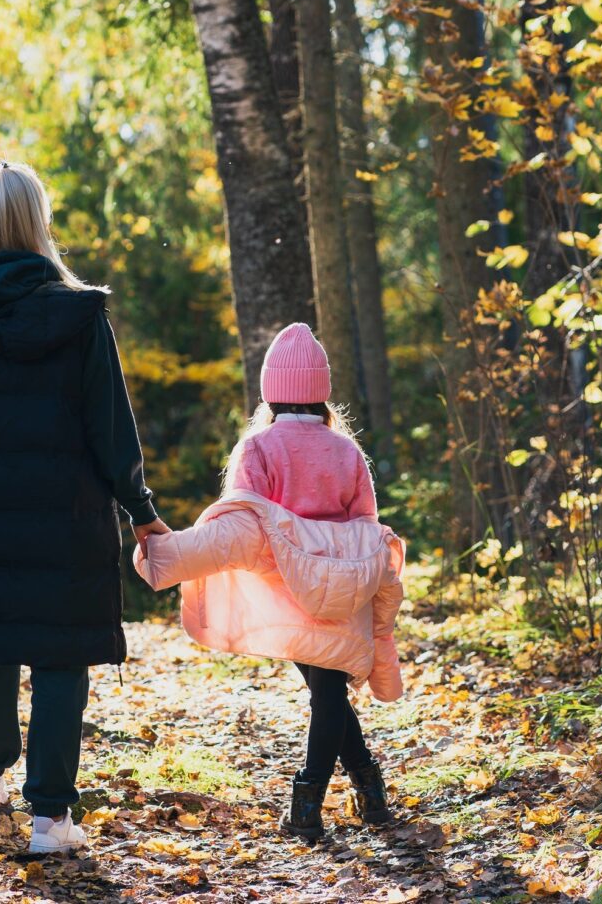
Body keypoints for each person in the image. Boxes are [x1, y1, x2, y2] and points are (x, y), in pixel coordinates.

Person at [0, 160, 169, 855]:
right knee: (61, 657)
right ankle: (51, 821)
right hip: (67, 517)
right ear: (39, 220)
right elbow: (111, 425)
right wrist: (139, 509)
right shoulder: (79, 314)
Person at [134, 322, 405, 840]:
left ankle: (308, 805)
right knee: (329, 690)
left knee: (327, 692)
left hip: (291, 591)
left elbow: (240, 523)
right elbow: (365, 523)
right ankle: (370, 791)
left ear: (270, 391)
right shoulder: (347, 451)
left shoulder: (258, 447)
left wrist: (167, 554)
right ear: (321, 391)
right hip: (344, 585)